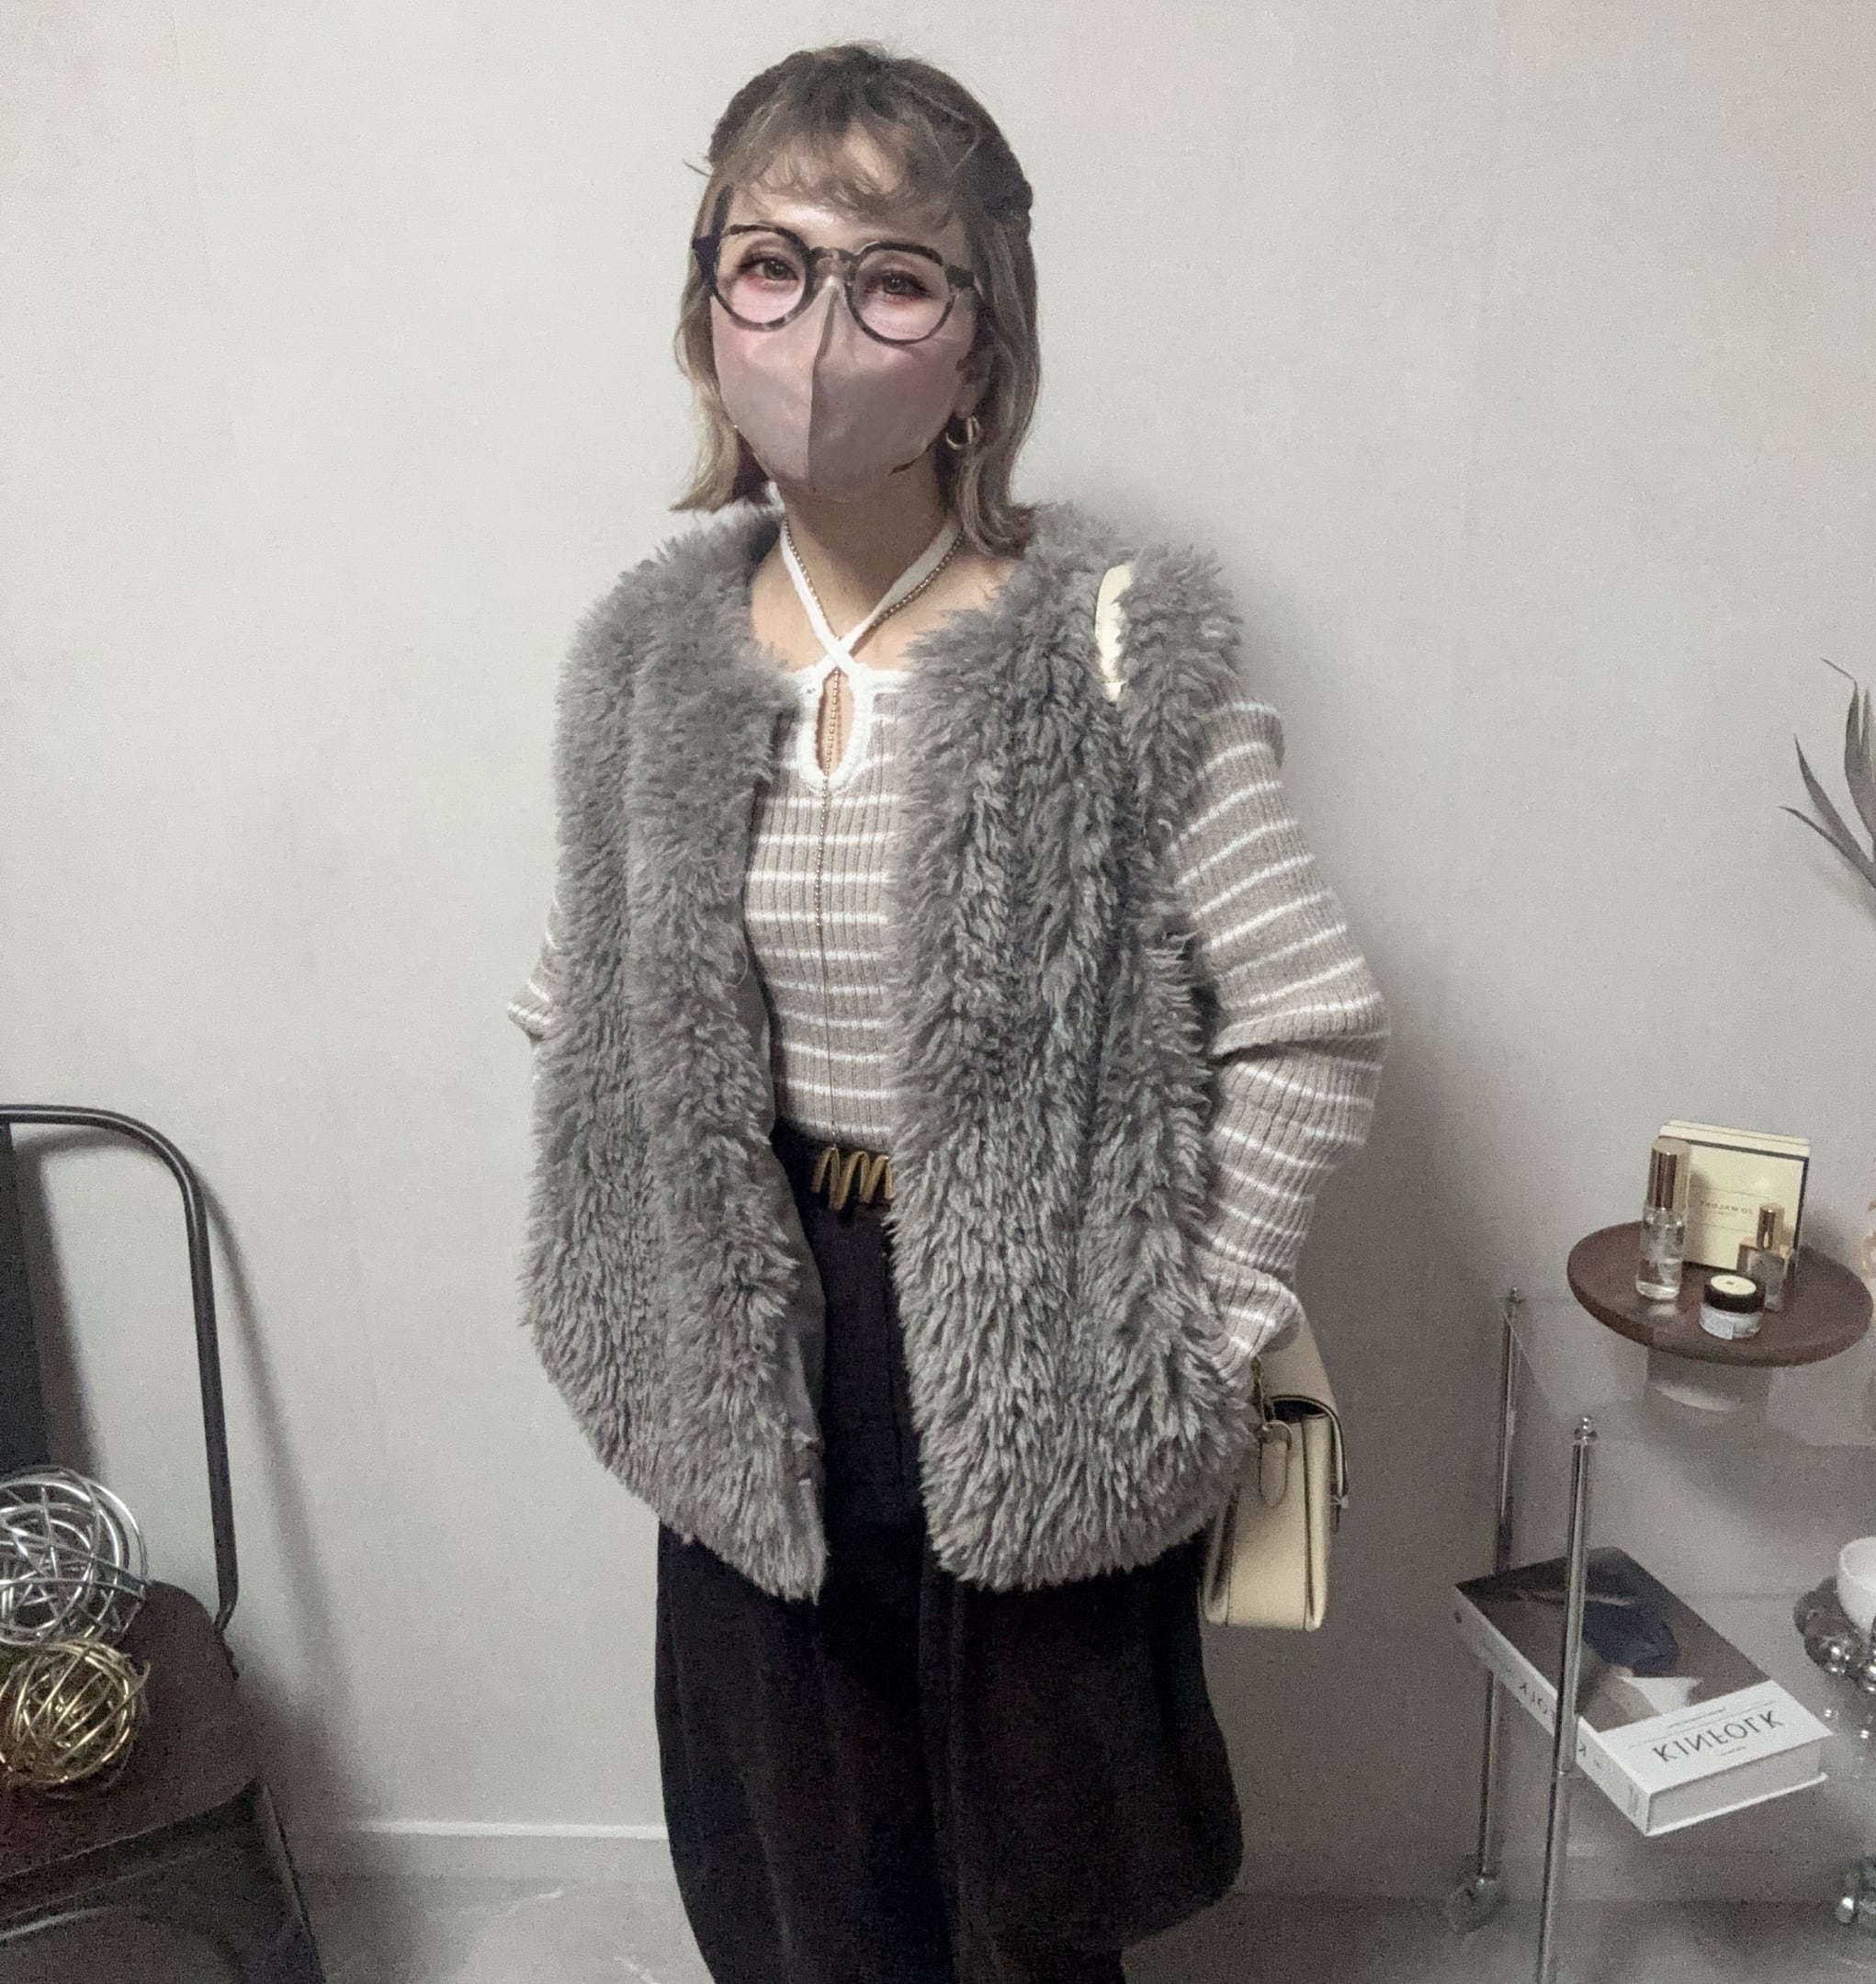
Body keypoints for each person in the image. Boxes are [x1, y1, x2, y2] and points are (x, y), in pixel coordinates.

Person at [510, 41, 1390, 1984]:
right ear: (703, 310)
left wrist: (1197, 1327)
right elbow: (584, 997)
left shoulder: (1109, 645)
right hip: (760, 1324)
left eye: (893, 278)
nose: (819, 333)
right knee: (801, 1873)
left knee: (1030, 1886)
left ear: (981, 347)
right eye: (769, 265)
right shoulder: (651, 654)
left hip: (1034, 1325)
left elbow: (1309, 1021)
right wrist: (637, 1239)